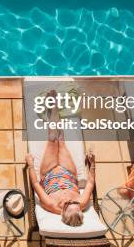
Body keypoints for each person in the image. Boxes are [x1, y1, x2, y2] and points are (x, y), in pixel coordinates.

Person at [25, 92, 96, 227]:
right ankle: (55, 109)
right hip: (68, 172)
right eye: (74, 203)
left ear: (62, 212)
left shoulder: (50, 204)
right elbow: (90, 183)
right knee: (61, 139)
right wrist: (93, 164)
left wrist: (30, 164)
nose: (69, 200)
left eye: (67, 204)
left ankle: (53, 105)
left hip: (49, 172)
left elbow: (35, 184)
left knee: (52, 138)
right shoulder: (83, 202)